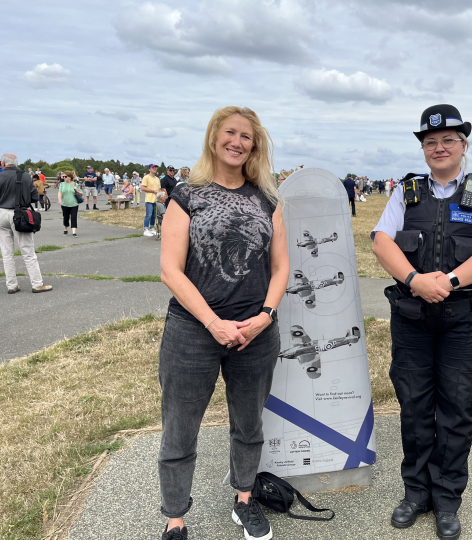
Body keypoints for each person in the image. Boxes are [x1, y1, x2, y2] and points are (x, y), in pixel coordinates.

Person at [372, 104, 472, 540]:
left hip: (465, 319)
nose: (439, 147)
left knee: (457, 408)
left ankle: (448, 498)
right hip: (413, 318)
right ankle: (416, 492)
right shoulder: (407, 191)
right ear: (423, 148)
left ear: (463, 146)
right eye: (431, 142)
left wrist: (449, 281)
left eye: (448, 140)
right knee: (415, 406)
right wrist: (415, 280)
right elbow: (382, 242)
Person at [158, 106, 288, 540]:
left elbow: (282, 266)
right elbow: (170, 270)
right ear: (214, 137)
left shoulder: (267, 199)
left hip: (255, 333)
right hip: (194, 331)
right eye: (229, 133)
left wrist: (264, 317)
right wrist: (214, 323)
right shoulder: (186, 193)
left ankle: (245, 499)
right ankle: (175, 519)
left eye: (246, 137)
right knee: (180, 426)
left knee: (249, 424)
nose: (237, 142)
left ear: (255, 145)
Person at [0, 153, 53, 294]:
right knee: (27, 250)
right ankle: (37, 283)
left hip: (1, 214)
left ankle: (11, 284)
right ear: (16, 163)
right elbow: (34, 197)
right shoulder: (24, 176)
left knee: (7, 252)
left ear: (3, 164)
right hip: (19, 214)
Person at [58, 171, 82, 237]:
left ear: (70, 177)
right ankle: (66, 228)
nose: (64, 178)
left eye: (65, 176)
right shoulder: (62, 184)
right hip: (65, 203)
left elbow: (81, 194)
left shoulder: (75, 184)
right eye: (63, 176)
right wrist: (60, 199)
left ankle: (74, 231)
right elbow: (60, 192)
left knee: (74, 217)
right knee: (66, 217)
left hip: (74, 203)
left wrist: (76, 190)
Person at [141, 164, 161, 236]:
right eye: (153, 168)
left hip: (156, 199)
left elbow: (159, 189)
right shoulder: (146, 177)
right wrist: (153, 191)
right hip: (149, 199)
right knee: (148, 215)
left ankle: (152, 228)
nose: (155, 169)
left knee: (154, 215)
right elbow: (143, 188)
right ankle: (146, 229)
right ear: (149, 169)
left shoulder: (157, 179)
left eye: (155, 168)